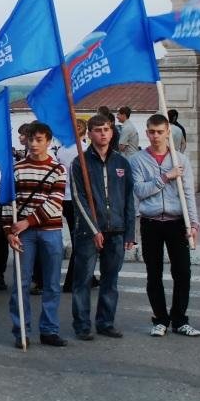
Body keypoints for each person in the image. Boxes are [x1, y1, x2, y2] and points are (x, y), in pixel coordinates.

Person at [132, 114, 200, 337]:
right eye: (151, 131)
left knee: (183, 272)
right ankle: (160, 319)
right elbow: (140, 191)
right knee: (154, 273)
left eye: (160, 132)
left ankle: (180, 319)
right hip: (151, 222)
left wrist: (193, 223)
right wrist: (165, 177)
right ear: (147, 132)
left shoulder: (181, 159)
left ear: (168, 132)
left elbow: (188, 193)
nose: (155, 136)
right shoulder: (138, 160)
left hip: (176, 222)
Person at [70, 114, 135, 340]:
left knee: (111, 279)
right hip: (88, 232)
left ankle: (106, 322)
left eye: (107, 129)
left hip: (116, 230)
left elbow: (129, 199)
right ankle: (82, 325)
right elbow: (78, 199)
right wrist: (94, 228)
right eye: (98, 130)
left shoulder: (121, 162)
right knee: (83, 279)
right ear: (89, 134)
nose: (103, 133)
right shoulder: (80, 162)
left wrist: (130, 232)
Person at [4, 121, 68, 348]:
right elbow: (8, 203)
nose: (34, 144)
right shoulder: (17, 169)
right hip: (24, 233)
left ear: (48, 142)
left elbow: (55, 202)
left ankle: (49, 330)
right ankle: (21, 331)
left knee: (51, 282)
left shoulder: (59, 169)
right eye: (31, 139)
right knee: (21, 282)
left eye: (39, 140)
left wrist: (26, 222)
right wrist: (8, 231)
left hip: (50, 230)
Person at [59, 118, 89, 292]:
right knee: (81, 239)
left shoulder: (62, 150)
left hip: (65, 197)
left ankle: (88, 276)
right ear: (85, 132)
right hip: (79, 199)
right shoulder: (84, 150)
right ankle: (72, 280)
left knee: (77, 235)